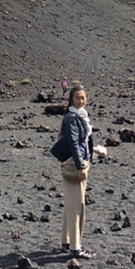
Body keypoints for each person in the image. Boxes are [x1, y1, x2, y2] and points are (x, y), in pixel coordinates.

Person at [50, 85, 95, 259]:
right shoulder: (72, 118)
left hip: (78, 161)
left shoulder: (80, 116)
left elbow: (82, 142)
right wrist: (80, 166)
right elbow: (73, 143)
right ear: (71, 99)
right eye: (77, 98)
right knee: (77, 206)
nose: (81, 101)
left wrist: (94, 150)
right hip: (74, 164)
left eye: (83, 97)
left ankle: (66, 242)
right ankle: (75, 248)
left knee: (71, 204)